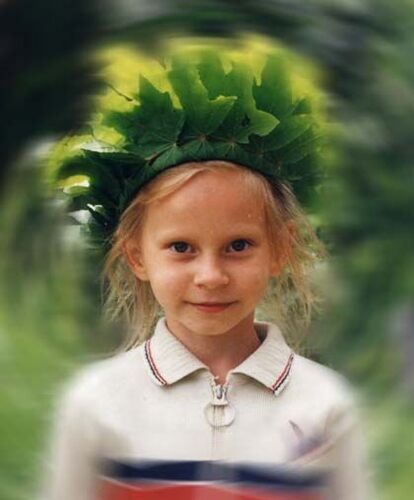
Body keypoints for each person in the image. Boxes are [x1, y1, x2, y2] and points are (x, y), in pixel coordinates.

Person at [39, 40, 374, 499]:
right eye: (181, 247)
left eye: (239, 245)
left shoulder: (327, 407)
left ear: (280, 248)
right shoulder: (96, 405)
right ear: (137, 255)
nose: (211, 276)